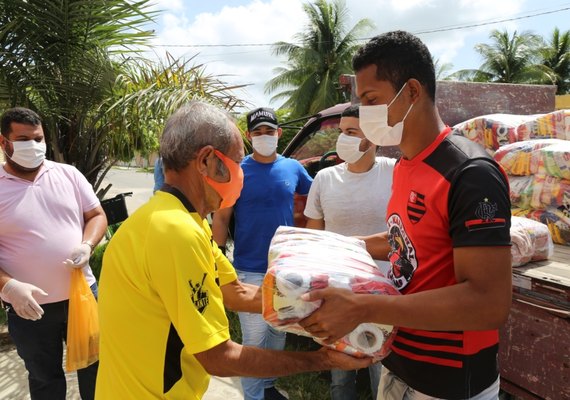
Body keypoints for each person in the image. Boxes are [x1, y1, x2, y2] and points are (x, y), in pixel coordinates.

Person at [95, 101, 371, 400]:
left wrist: (312, 306)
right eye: (237, 163)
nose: (242, 173)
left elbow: (235, 293)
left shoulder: (182, 220)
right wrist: (322, 359)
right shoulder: (175, 232)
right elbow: (219, 356)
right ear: (206, 161)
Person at [299, 31, 512, 400]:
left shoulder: (469, 172)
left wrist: (365, 306)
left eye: (371, 100)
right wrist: (342, 247)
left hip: (450, 382)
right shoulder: (405, 166)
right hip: (399, 366)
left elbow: (488, 302)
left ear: (412, 91)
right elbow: (405, 241)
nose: (366, 115)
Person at [0, 107, 108, 400]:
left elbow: (96, 215)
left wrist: (87, 245)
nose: (33, 146)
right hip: (29, 307)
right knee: (44, 377)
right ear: (3, 142)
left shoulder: (68, 174)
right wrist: (8, 285)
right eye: (23, 139)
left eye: (38, 138)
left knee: (96, 371)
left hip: (83, 295)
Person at [212, 107, 313, 400]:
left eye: (269, 131)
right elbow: (220, 217)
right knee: (255, 340)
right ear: (248, 136)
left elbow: (316, 197)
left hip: (284, 268)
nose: (264, 136)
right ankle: (253, 396)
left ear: (279, 134)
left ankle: (267, 387)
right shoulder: (238, 171)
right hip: (249, 269)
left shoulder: (293, 168)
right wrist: (216, 257)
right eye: (258, 132)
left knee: (278, 333)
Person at [303, 104, 395, 400]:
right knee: (340, 376)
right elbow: (313, 236)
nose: (343, 138)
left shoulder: (395, 173)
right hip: (337, 292)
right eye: (341, 132)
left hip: (383, 293)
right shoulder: (325, 179)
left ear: (373, 137)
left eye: (351, 132)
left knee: (382, 373)